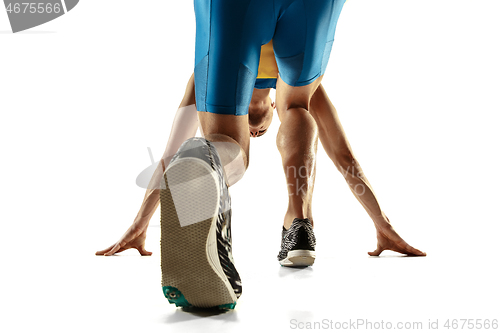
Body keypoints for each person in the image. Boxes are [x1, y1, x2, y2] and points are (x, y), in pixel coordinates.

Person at [97, 0, 425, 309]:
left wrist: (142, 222)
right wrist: (382, 224)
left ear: (267, 107)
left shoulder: (202, 79)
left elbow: (174, 155)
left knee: (223, 148)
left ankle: (228, 175)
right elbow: (343, 157)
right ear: (271, 107)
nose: (255, 133)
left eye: (253, 130)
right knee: (297, 109)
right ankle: (299, 223)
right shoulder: (297, 91)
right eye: (257, 130)